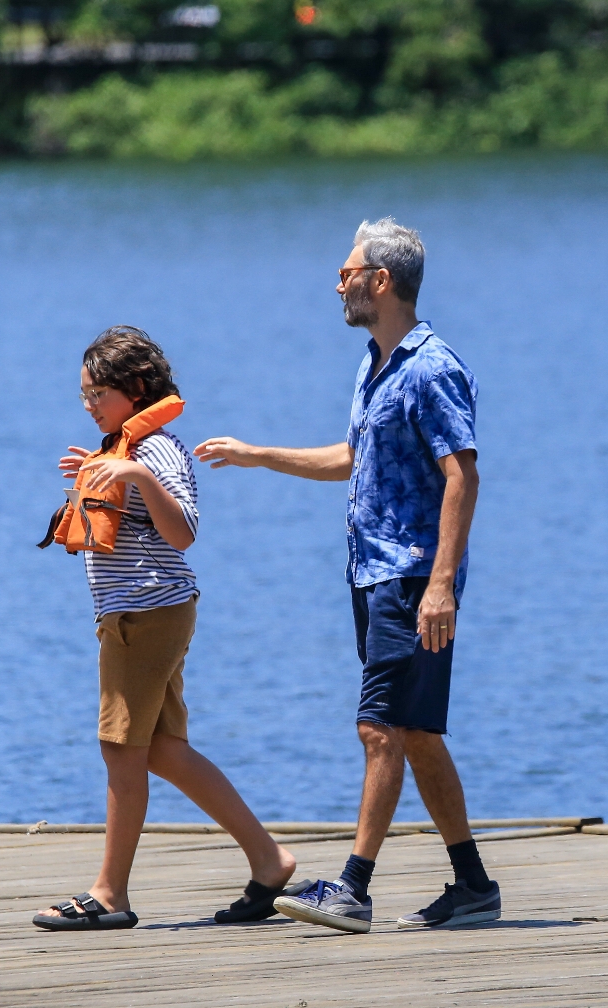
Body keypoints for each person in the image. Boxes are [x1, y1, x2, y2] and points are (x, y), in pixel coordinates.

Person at [194, 218, 501, 933]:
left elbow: (462, 474)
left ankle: (353, 888)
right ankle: (474, 885)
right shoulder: (374, 362)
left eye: (346, 271)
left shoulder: (430, 366)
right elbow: (354, 458)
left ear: (380, 280)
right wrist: (257, 453)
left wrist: (439, 584)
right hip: (373, 575)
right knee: (416, 730)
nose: (337, 282)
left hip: (410, 577)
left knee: (378, 727)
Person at [32, 325, 304, 932]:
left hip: (146, 613)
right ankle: (269, 858)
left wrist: (136, 477)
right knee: (161, 749)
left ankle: (110, 895)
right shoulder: (120, 449)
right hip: (141, 614)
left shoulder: (154, 452)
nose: (89, 405)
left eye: (97, 392)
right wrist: (99, 469)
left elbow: (182, 533)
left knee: (119, 749)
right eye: (83, 395)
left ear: (134, 389)